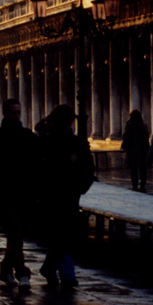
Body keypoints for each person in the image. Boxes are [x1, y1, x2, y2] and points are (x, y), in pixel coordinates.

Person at [0, 98, 39, 289]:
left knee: (18, 234)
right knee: (15, 232)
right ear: (5, 114)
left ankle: (5, 269)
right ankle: (22, 273)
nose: (16, 116)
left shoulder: (28, 136)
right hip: (5, 193)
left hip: (25, 193)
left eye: (18, 112)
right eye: (13, 112)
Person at [38, 105, 95, 289]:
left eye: (68, 124)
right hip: (51, 195)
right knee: (61, 236)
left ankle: (49, 268)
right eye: (63, 124)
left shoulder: (75, 143)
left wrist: (81, 187)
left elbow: (88, 168)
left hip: (69, 194)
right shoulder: (46, 142)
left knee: (61, 236)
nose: (66, 128)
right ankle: (68, 275)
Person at [121, 110, 150, 192]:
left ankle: (135, 185)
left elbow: (126, 136)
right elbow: (146, 138)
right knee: (142, 168)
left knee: (133, 169)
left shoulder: (130, 125)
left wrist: (125, 147)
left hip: (133, 149)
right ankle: (143, 185)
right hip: (142, 149)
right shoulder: (143, 125)